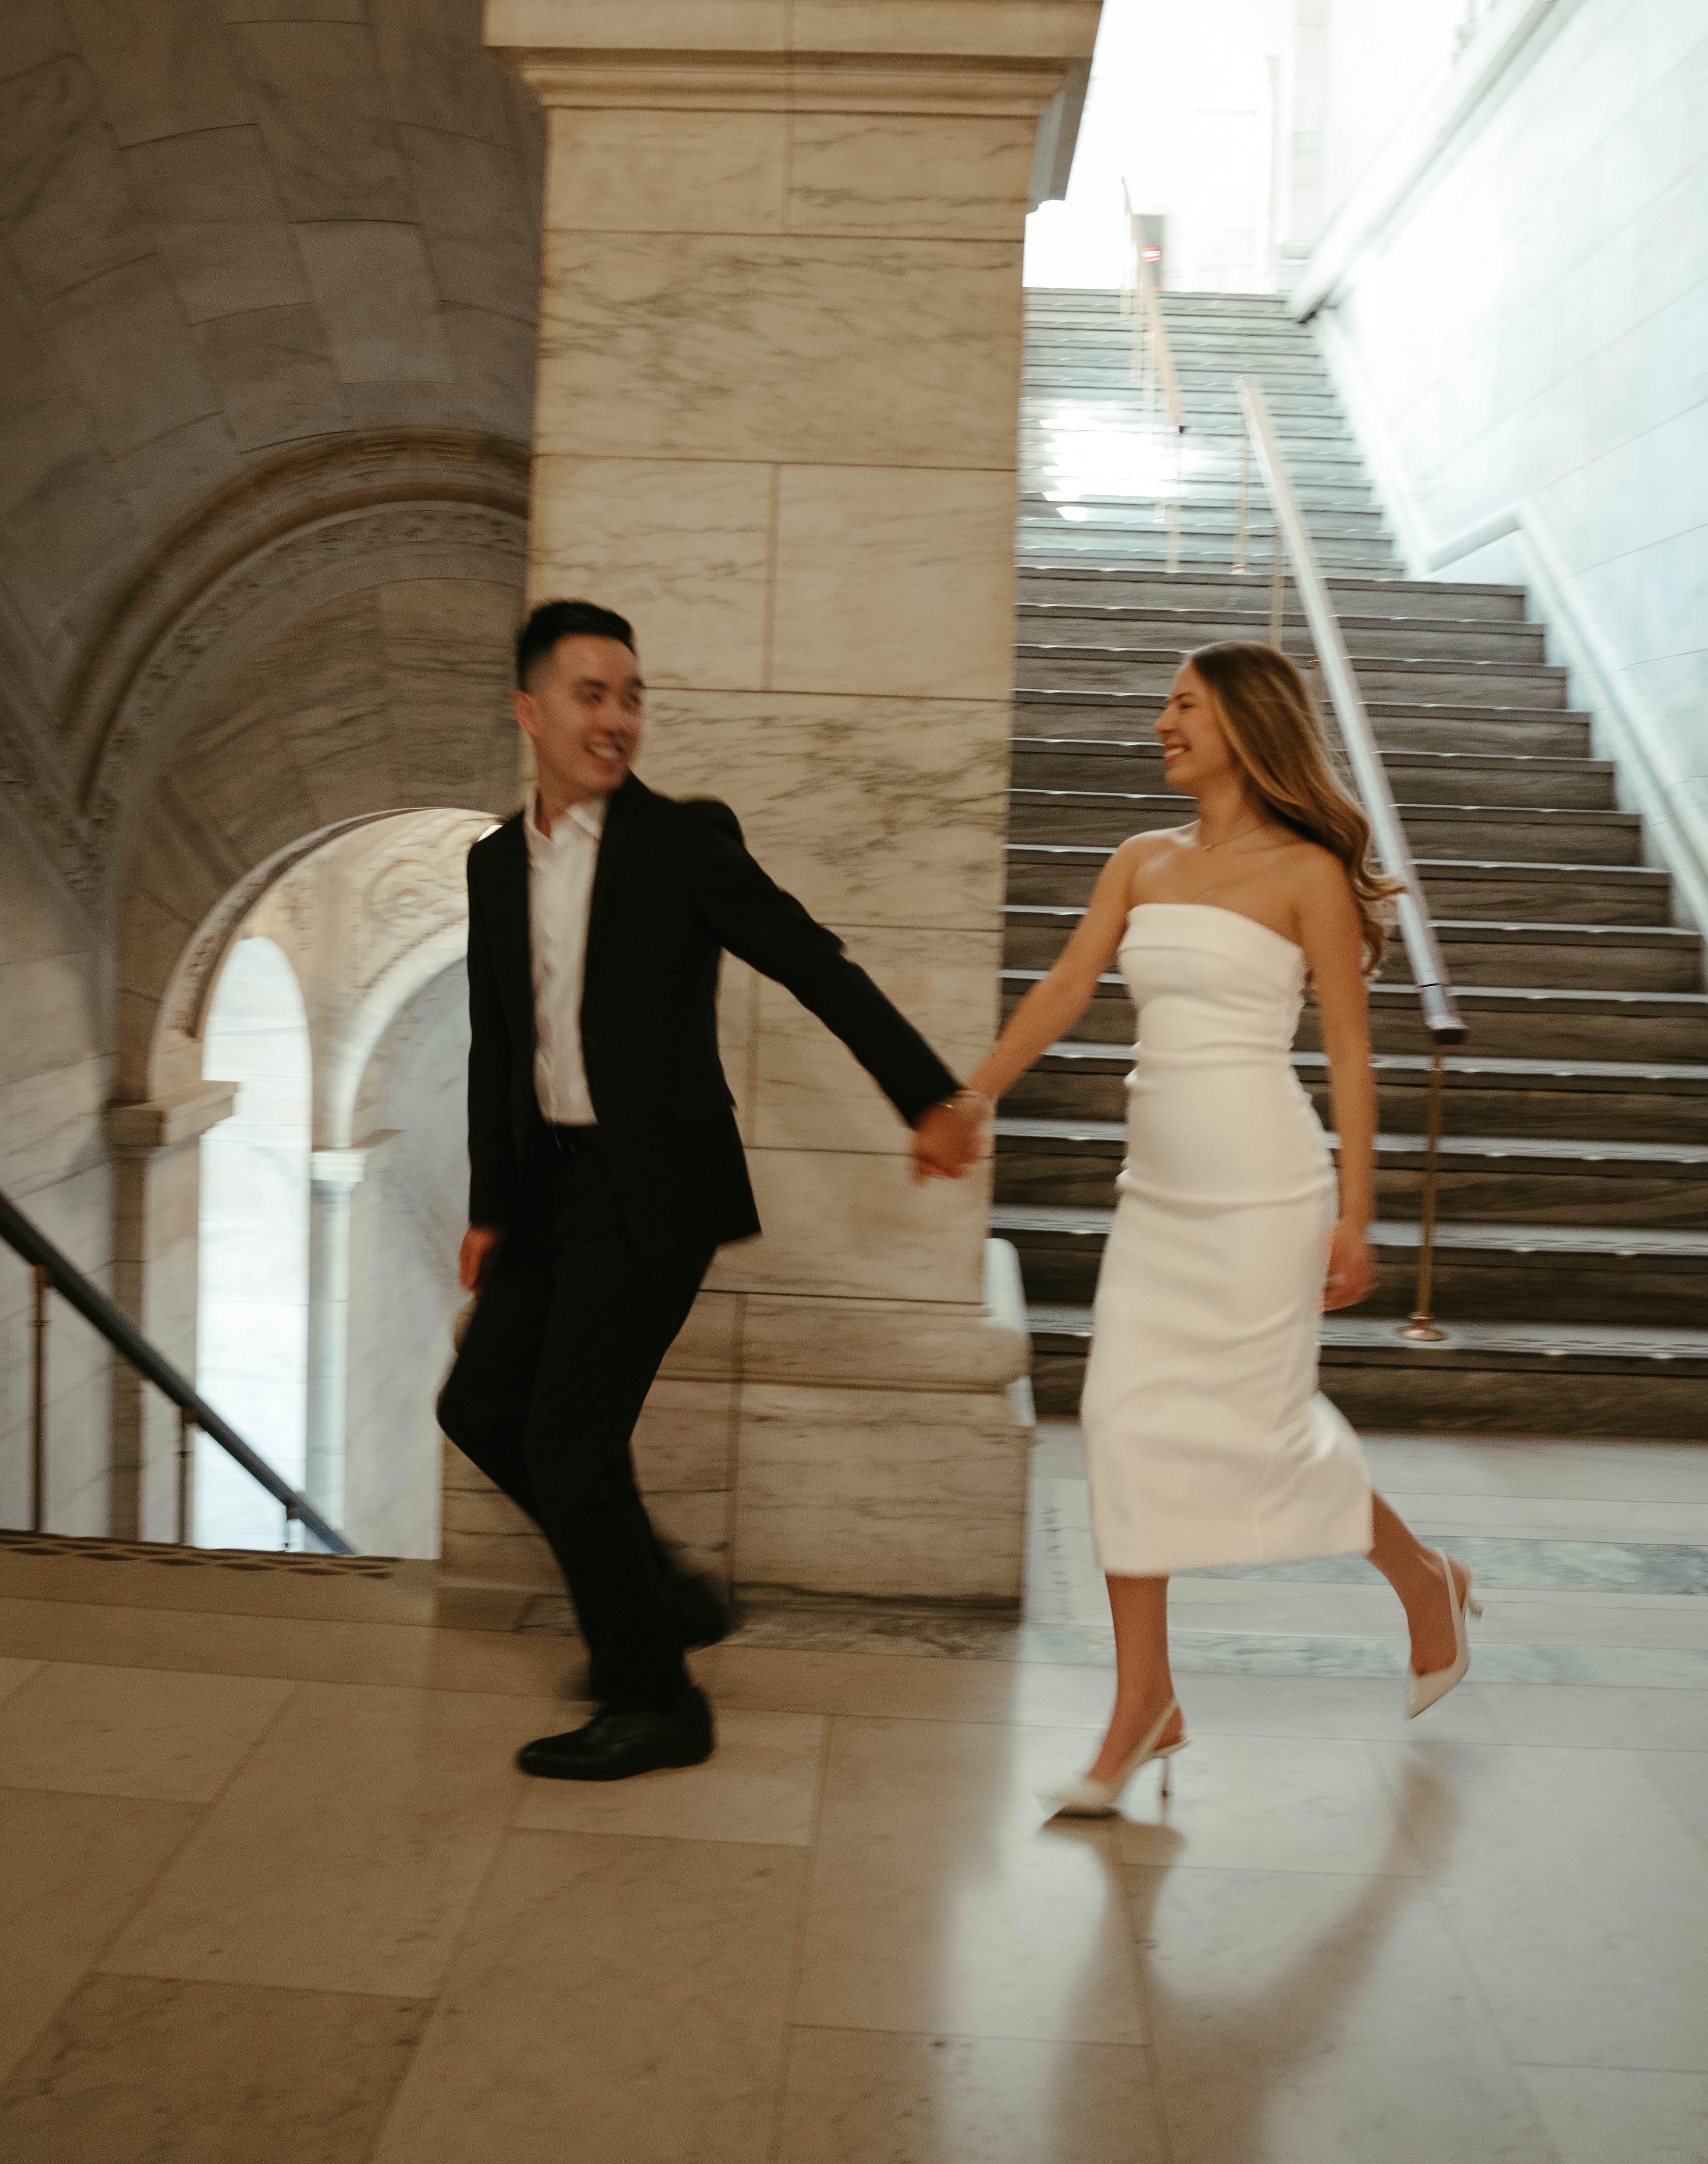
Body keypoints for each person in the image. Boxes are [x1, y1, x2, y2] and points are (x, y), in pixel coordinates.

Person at [919, 642, 1479, 1814]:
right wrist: (975, 1096)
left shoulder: (1308, 875)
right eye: (1167, 702)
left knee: (1262, 1429)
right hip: (1160, 1199)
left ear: (1241, 721)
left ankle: (1423, 1580)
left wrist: (1361, 1215)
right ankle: (1145, 1703)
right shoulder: (1141, 861)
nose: (1163, 720)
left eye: (1184, 703)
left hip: (1270, 1192)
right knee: (1123, 1419)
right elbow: (1068, 987)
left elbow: (1348, 1051)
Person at [440, 599, 984, 1784]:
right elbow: (498, 1046)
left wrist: (926, 1095)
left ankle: (657, 1703)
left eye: (631, 696)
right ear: (531, 711)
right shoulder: (493, 866)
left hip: (652, 1192)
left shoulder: (682, 841)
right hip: (545, 1196)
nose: (618, 718)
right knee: (481, 1410)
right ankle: (664, 1597)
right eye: (592, 695)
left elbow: (810, 959)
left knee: (572, 1444)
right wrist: (490, 1206)